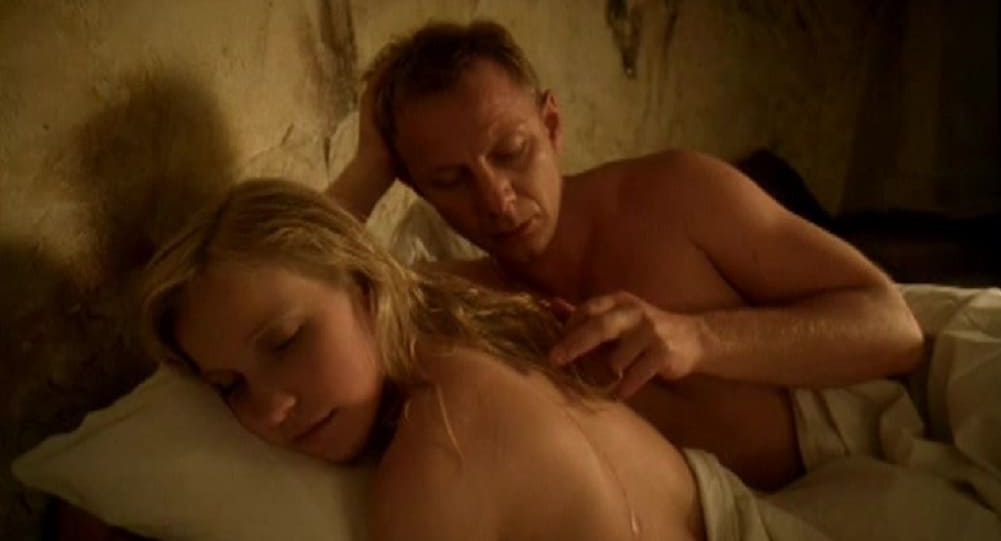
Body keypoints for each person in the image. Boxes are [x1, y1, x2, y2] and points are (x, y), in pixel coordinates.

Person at [327, 20, 926, 490]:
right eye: (450, 180)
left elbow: (893, 330)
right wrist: (369, 169)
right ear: (417, 187)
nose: (497, 200)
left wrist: (697, 338)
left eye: (511, 151)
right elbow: (288, 288)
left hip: (858, 469)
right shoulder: (463, 300)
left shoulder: (675, 194)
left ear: (552, 124)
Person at [139, 178, 706, 541]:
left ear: (364, 286)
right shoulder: (465, 316)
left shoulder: (437, 460)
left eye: (286, 341)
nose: (270, 409)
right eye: (229, 385)